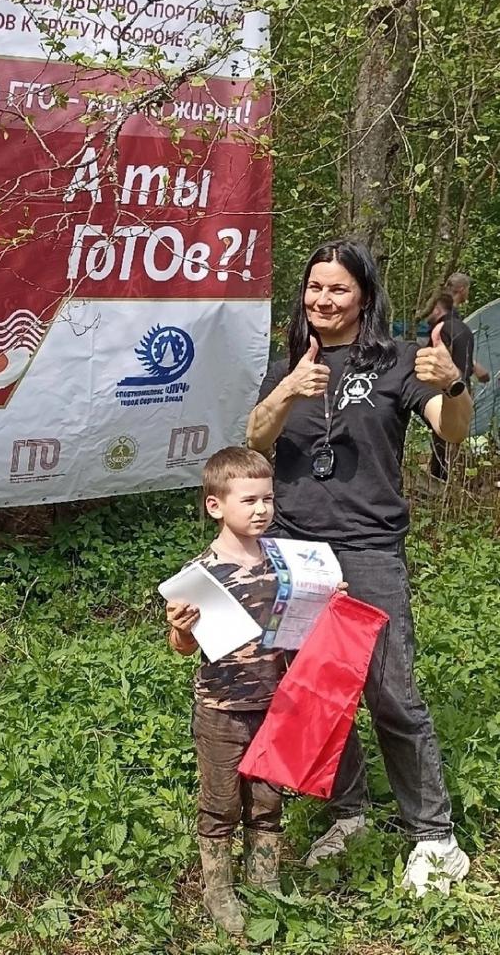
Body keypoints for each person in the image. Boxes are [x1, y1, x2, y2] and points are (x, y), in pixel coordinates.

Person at [246, 239, 472, 897]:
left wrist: (453, 383)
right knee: (317, 688)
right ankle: (350, 815)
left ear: (364, 296)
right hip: (295, 549)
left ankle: (434, 835)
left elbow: (453, 430)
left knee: (390, 692)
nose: (323, 299)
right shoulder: (287, 364)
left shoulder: (397, 361)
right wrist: (288, 390)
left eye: (338, 288)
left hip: (369, 548)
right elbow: (255, 438)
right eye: (314, 287)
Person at [165, 446, 286, 935]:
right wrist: (181, 629)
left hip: (275, 705)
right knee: (222, 803)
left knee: (268, 800)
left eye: (268, 499)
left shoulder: (283, 559)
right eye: (249, 500)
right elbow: (181, 647)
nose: (261, 509)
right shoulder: (199, 575)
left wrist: (326, 596)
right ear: (215, 506)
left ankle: (264, 879)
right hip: (221, 710)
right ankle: (218, 889)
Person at [425, 290, 488, 481]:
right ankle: (449, 478)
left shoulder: (441, 329)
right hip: (464, 386)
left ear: (437, 308)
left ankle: (438, 479)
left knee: (441, 435)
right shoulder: (464, 328)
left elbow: (439, 358)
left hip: (446, 387)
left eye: (429, 309)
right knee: (456, 435)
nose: (427, 314)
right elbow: (466, 359)